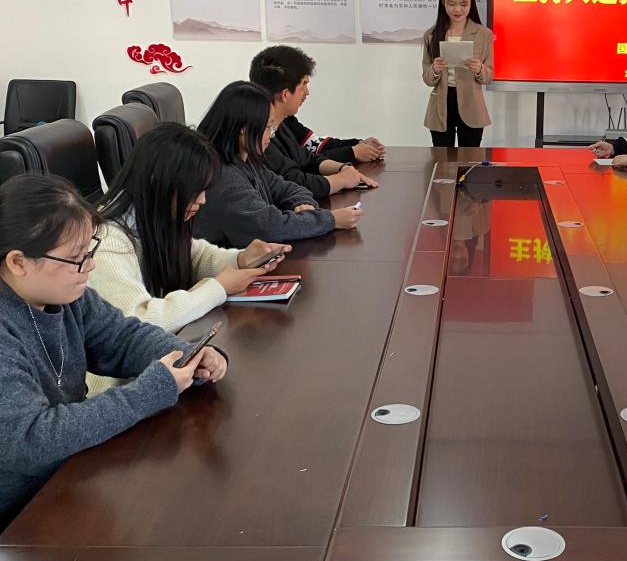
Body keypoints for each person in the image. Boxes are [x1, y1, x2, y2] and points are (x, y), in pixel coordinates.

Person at [0, 174, 227, 530]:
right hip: (20, 518)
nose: (89, 266)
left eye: (89, 251)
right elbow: (32, 440)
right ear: (18, 262)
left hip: (70, 476)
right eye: (76, 258)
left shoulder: (67, 295)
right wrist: (149, 391)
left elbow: (122, 339)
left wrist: (188, 355)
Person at [91, 124, 291, 333]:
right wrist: (218, 288)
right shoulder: (107, 243)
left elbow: (194, 255)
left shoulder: (154, 215)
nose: (202, 200)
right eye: (195, 190)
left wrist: (240, 259)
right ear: (159, 182)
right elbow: (140, 320)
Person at [194, 81, 362, 248]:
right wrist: (331, 220)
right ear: (243, 128)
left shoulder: (246, 160)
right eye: (268, 127)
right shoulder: (223, 177)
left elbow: (287, 187)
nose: (272, 135)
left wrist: (301, 203)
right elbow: (269, 227)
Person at [249, 45, 382, 198]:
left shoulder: (282, 125)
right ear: (285, 94)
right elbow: (294, 181)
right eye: (304, 85)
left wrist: (343, 168)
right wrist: (342, 179)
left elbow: (308, 160)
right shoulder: (260, 136)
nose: (307, 92)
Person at [421, 0, 493, 147]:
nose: (458, 9)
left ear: (471, 3)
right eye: (452, 4)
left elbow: (489, 76)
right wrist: (435, 69)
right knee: (442, 158)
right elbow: (427, 79)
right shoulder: (431, 35)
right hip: (441, 104)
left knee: (469, 158)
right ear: (443, 3)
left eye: (463, 4)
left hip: (471, 104)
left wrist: (479, 69)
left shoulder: (483, 34)